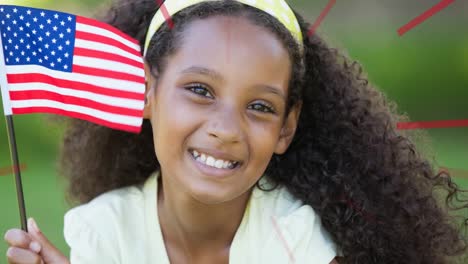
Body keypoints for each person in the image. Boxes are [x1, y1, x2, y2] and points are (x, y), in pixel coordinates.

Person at [4, 0, 468, 263]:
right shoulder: (104, 231)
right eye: (200, 90)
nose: (226, 129)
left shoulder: (298, 239)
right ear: (146, 93)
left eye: (260, 106)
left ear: (287, 127)